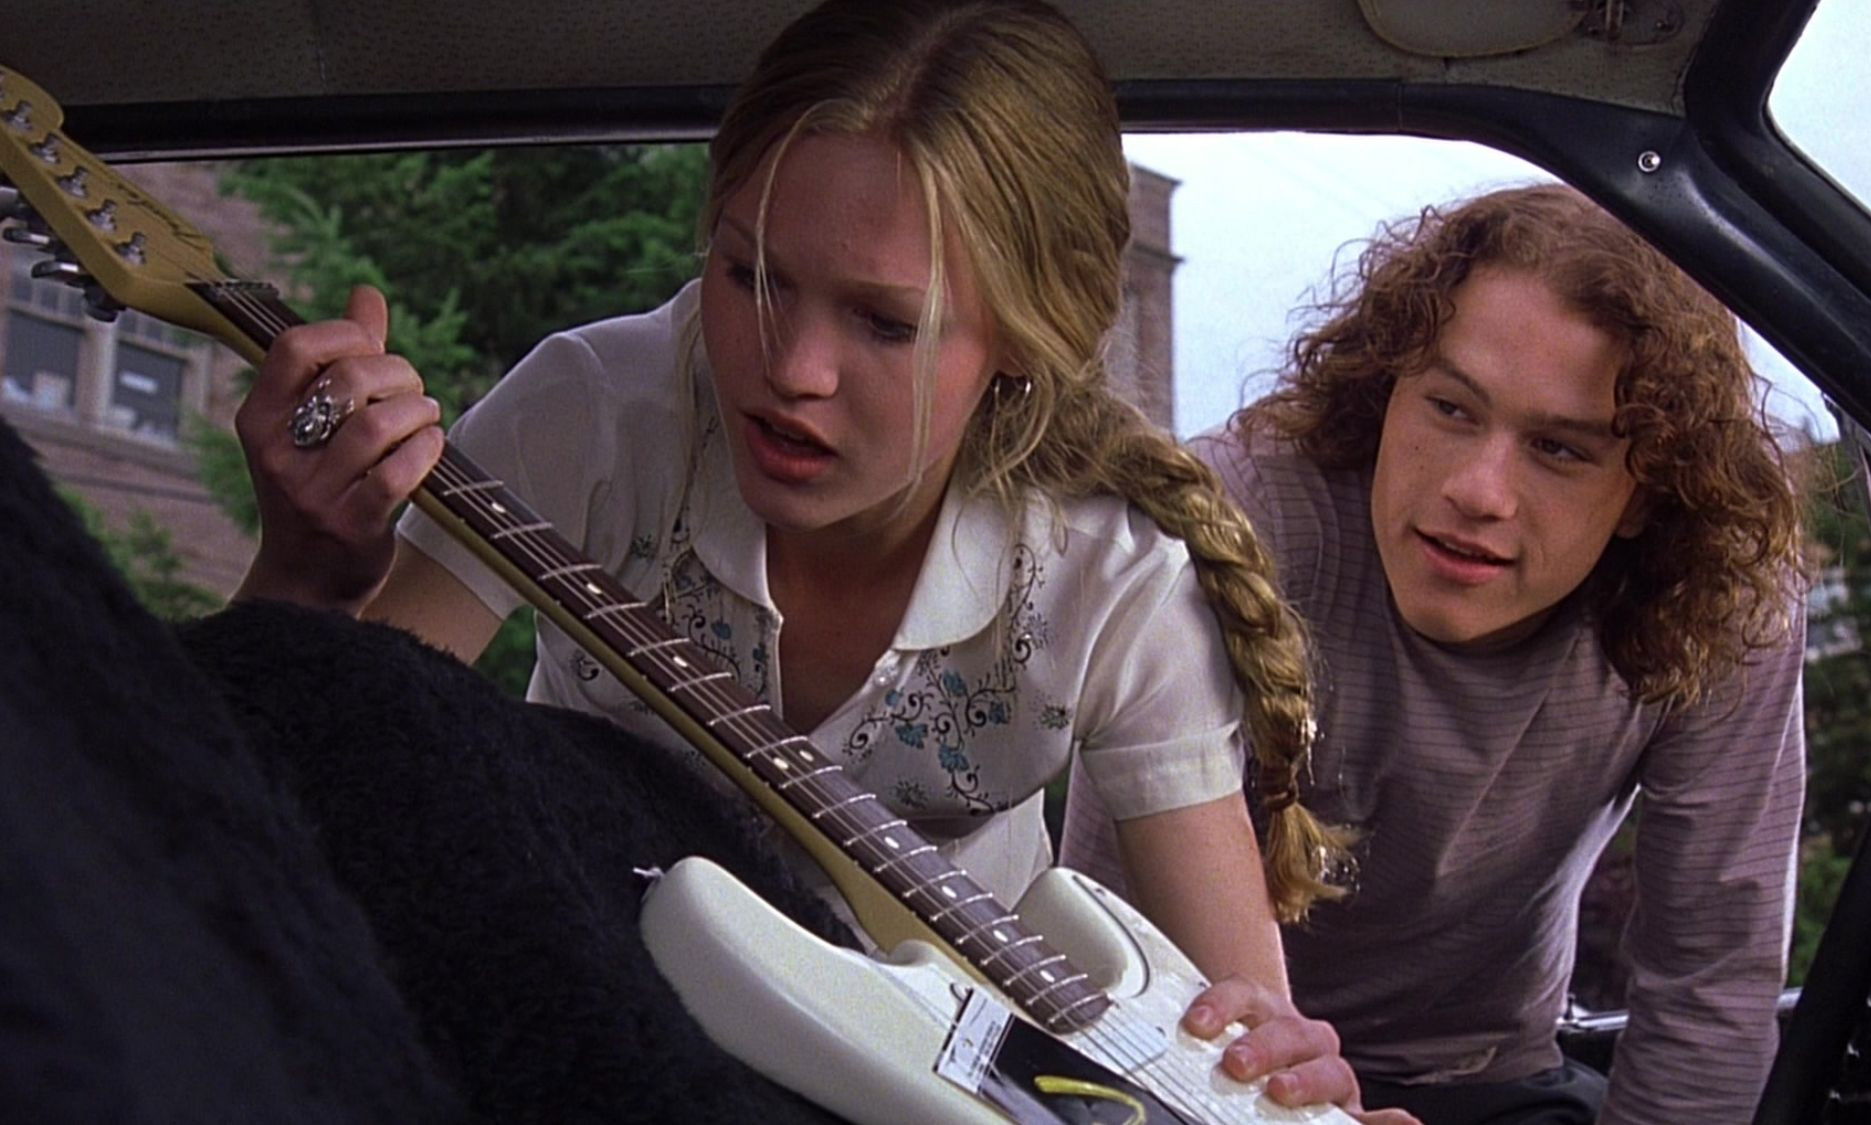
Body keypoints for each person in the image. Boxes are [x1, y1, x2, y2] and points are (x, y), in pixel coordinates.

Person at [229, 0, 1411, 1118]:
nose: (789, 369)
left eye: (884, 322)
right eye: (751, 276)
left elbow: (1236, 1021)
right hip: (573, 995)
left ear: (1023, 337)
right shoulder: (592, 412)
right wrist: (303, 573)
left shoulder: (1110, 580)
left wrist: (1283, 1073)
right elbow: (299, 800)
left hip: (922, 1091)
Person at [1063, 184, 1809, 1123]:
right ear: (1387, 389)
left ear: (1648, 494)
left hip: (1495, 1083)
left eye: (1559, 450)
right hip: (1202, 1072)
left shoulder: (1716, 601)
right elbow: (1110, 944)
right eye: (1452, 408)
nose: (1478, 490)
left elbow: (1709, 987)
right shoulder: (1239, 519)